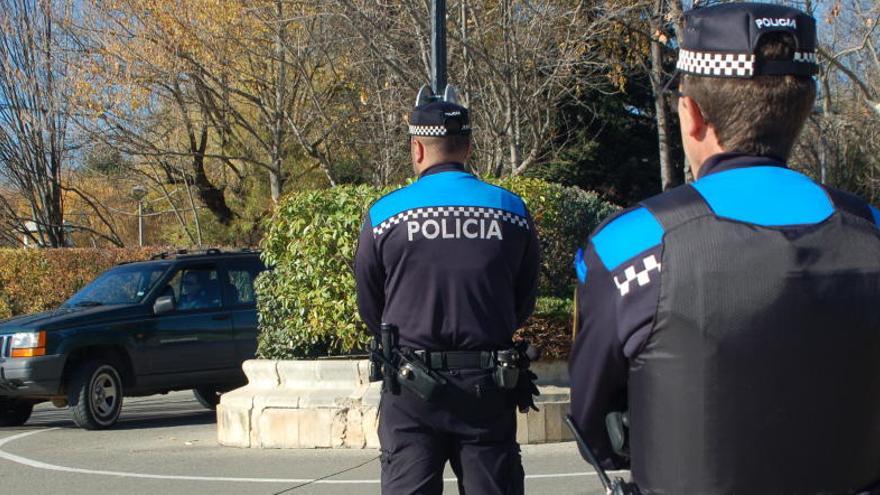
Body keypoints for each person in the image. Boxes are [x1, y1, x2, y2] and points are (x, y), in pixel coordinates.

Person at [569, 3, 880, 494]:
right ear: (805, 107)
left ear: (690, 115)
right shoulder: (869, 229)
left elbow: (593, 426)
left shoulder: (628, 246)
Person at [355, 100, 540, 494]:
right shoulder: (512, 211)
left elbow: (372, 309)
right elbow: (523, 302)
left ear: (417, 149)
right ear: (468, 148)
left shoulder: (385, 216)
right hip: (488, 386)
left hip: (411, 388)